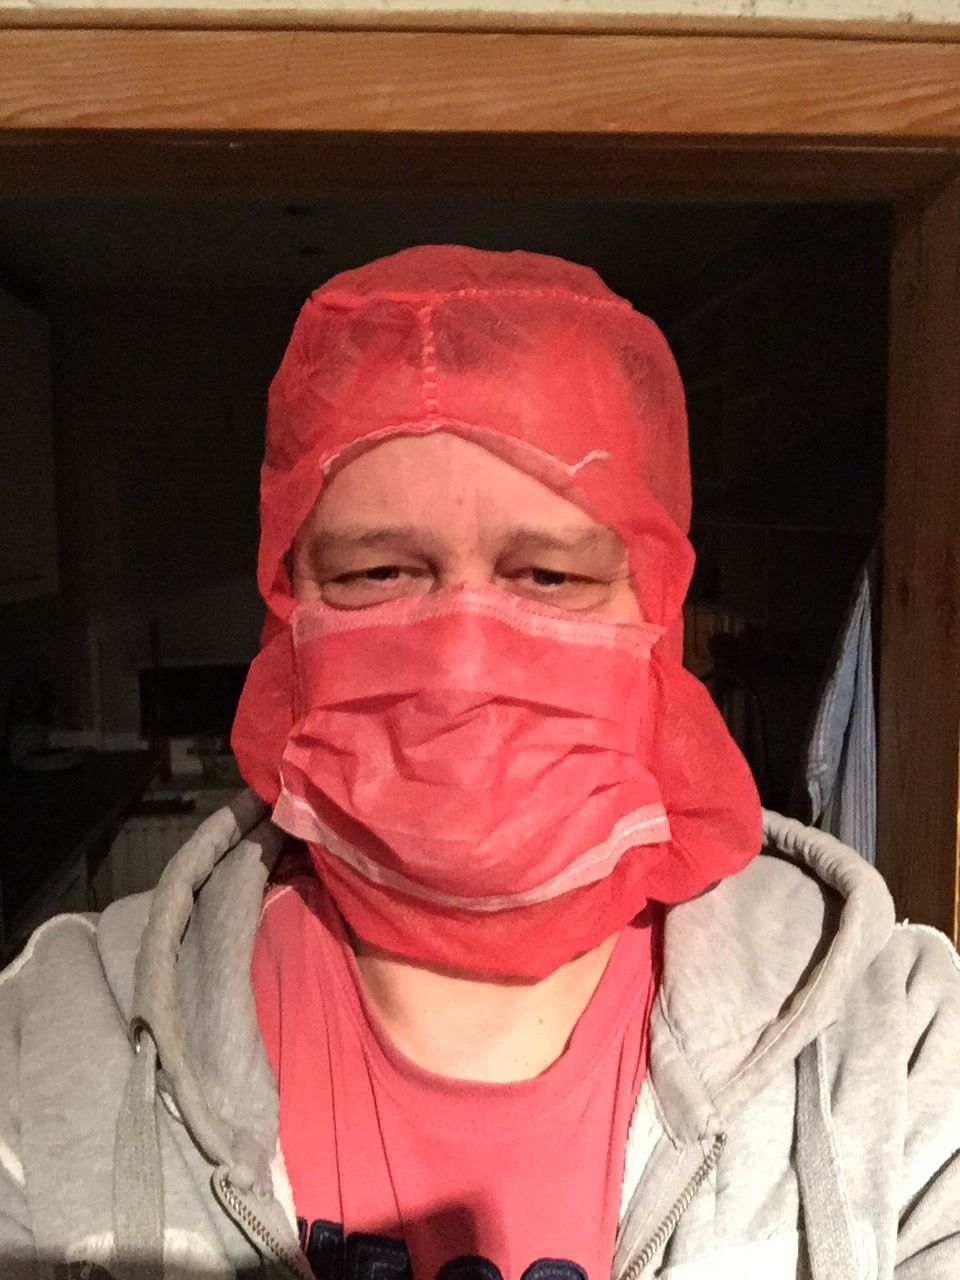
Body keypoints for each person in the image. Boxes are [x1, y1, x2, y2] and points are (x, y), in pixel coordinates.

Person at [1, 245, 958, 1280]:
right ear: (288, 608)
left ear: (658, 612)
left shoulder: (894, 1041)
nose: (460, 664)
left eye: (548, 576)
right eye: (378, 572)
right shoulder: (52, 1035)